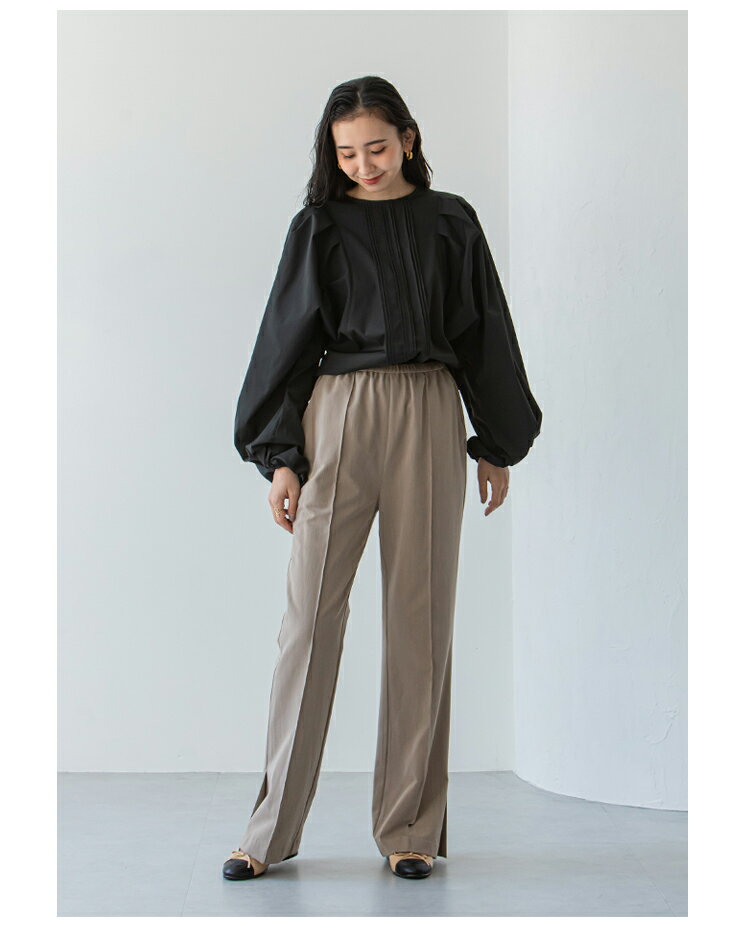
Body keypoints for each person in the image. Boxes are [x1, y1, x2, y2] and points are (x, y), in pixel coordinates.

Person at [224, 75, 542, 882]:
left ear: (408, 138)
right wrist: (280, 455)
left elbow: (484, 330)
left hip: (431, 410)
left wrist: (496, 442)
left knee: (419, 620)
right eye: (346, 153)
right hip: (338, 414)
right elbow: (286, 338)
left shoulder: (451, 220)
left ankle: (409, 826)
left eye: (375, 146)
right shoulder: (319, 227)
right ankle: (269, 829)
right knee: (309, 619)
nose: (363, 164)